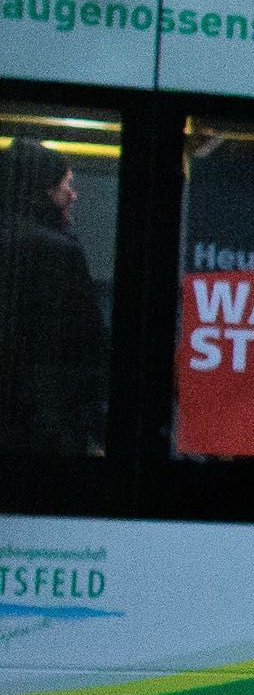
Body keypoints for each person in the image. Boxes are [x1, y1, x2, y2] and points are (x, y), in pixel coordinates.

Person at [0, 136, 108, 459]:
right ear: (45, 192)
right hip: (44, 431)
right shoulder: (59, 252)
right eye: (66, 185)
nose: (72, 195)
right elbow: (90, 347)